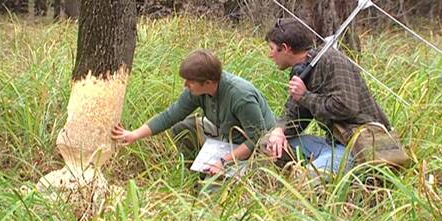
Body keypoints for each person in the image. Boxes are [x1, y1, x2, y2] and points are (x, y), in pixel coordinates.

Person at [112, 49, 276, 175]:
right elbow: (171, 116)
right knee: (182, 127)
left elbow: (256, 139)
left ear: (208, 82)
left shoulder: (241, 97)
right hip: (226, 136)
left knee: (211, 191)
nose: (186, 85)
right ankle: (197, 170)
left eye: (190, 81)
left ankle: (216, 173)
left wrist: (222, 162)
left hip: (256, 146)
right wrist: (134, 135)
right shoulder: (198, 91)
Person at [262, 18, 393, 175]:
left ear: (285, 48)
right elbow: (295, 116)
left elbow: (347, 107)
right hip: (332, 143)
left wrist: (305, 96)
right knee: (268, 143)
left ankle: (332, 178)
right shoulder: (302, 70)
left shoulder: (331, 61)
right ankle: (304, 172)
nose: (270, 55)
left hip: (358, 146)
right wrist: (279, 131)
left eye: (272, 49)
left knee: (308, 180)